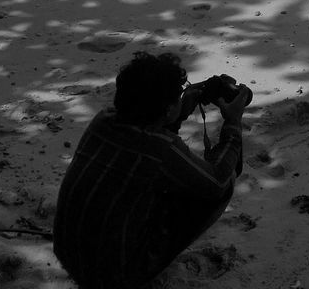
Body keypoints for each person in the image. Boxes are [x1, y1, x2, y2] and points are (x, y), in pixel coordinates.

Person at [53, 52, 251, 289]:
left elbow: (141, 148)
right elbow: (216, 181)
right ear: (167, 109)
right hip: (116, 276)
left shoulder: (103, 120)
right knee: (221, 185)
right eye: (179, 94)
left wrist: (178, 113)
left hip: (68, 254)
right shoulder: (160, 148)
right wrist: (233, 122)